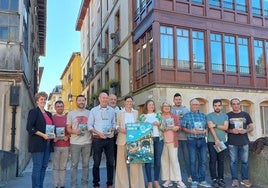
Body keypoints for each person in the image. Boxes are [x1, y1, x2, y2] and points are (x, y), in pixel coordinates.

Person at [115, 96, 145, 188]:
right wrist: (120, 129)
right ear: (124, 102)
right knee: (121, 165)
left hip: (134, 140)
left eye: (130, 101)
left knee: (135, 164)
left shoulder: (136, 112)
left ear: (133, 102)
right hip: (122, 140)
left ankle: (137, 185)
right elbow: (115, 124)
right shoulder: (120, 113)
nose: (129, 103)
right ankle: (122, 185)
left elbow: (139, 124)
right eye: (127, 101)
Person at [181, 98, 211, 188]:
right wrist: (191, 131)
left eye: (197, 105)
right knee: (193, 161)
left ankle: (202, 180)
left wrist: (205, 130)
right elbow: (183, 128)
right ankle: (194, 180)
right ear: (190, 106)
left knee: (203, 161)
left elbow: (207, 127)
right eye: (194, 105)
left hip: (202, 140)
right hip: (191, 141)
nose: (195, 106)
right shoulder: (186, 115)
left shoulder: (203, 115)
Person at [88, 92, 116, 188]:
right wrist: (98, 133)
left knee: (110, 162)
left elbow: (114, 124)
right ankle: (96, 184)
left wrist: (112, 131)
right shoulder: (93, 110)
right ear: (99, 99)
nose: (105, 99)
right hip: (97, 140)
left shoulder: (112, 111)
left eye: (106, 98)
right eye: (103, 98)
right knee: (96, 162)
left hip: (109, 140)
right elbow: (89, 126)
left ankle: (109, 183)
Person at [26, 91, 54, 188]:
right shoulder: (33, 112)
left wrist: (53, 135)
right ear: (37, 101)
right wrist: (43, 135)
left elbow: (51, 128)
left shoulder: (49, 114)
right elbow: (29, 128)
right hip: (37, 144)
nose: (43, 101)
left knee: (43, 167)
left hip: (48, 143)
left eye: (45, 99)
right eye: (41, 99)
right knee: (37, 167)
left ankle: (40, 186)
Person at [227, 98, 254, 187]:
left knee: (245, 162)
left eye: (237, 104)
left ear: (240, 105)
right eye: (234, 104)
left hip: (244, 142)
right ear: (231, 105)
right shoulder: (228, 115)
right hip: (232, 142)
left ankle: (245, 179)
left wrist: (245, 131)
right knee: (233, 162)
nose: (236, 105)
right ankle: (235, 180)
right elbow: (225, 129)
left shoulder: (245, 114)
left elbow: (251, 127)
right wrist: (231, 130)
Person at [66, 95, 91, 188]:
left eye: (83, 100)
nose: (81, 102)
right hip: (75, 143)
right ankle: (73, 185)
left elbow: (92, 126)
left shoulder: (89, 113)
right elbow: (68, 128)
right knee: (74, 165)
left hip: (87, 142)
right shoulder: (71, 114)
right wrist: (74, 131)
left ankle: (84, 185)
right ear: (76, 102)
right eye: (79, 100)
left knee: (86, 165)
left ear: (85, 101)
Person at [160, 101, 186, 188]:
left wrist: (177, 128)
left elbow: (179, 126)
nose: (166, 107)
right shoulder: (159, 116)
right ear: (162, 107)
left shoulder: (174, 116)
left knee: (174, 161)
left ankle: (179, 180)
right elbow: (157, 127)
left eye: (168, 106)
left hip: (172, 141)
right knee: (165, 161)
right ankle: (168, 180)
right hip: (162, 142)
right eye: (165, 106)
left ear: (170, 108)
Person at [139, 99, 163, 188]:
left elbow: (164, 127)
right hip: (147, 140)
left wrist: (159, 125)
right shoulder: (142, 117)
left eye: (153, 104)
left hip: (158, 139)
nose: (151, 106)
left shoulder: (158, 115)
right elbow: (140, 129)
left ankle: (156, 181)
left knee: (157, 160)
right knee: (148, 161)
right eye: (150, 104)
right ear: (146, 106)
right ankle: (149, 182)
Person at [207, 99, 228, 188]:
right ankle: (214, 179)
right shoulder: (209, 116)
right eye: (215, 106)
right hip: (212, 141)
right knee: (213, 160)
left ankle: (221, 178)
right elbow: (210, 128)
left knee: (221, 161)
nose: (217, 107)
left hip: (223, 141)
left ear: (221, 106)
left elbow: (226, 127)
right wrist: (216, 139)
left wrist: (215, 125)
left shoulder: (225, 116)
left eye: (219, 105)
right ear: (213, 106)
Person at [171, 93, 191, 182]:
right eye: (176, 99)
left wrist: (183, 123)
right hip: (174, 138)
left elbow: (189, 122)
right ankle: (177, 177)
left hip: (185, 137)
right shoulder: (171, 110)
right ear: (173, 100)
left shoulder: (186, 109)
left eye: (179, 99)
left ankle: (189, 176)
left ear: (181, 100)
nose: (178, 101)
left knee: (187, 158)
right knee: (176, 159)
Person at [52, 100, 70, 188]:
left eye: (61, 106)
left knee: (63, 167)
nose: (60, 108)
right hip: (55, 146)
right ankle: (55, 185)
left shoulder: (67, 118)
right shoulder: (52, 118)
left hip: (66, 146)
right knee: (55, 167)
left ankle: (62, 185)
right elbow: (49, 131)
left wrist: (68, 136)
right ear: (55, 108)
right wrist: (53, 137)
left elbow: (70, 130)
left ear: (63, 107)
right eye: (58, 106)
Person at [108, 93, 121, 170]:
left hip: (118, 135)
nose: (113, 101)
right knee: (109, 157)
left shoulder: (120, 109)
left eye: (114, 100)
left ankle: (118, 173)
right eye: (111, 99)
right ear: (108, 100)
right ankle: (110, 178)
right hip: (109, 136)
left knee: (118, 156)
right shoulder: (105, 109)